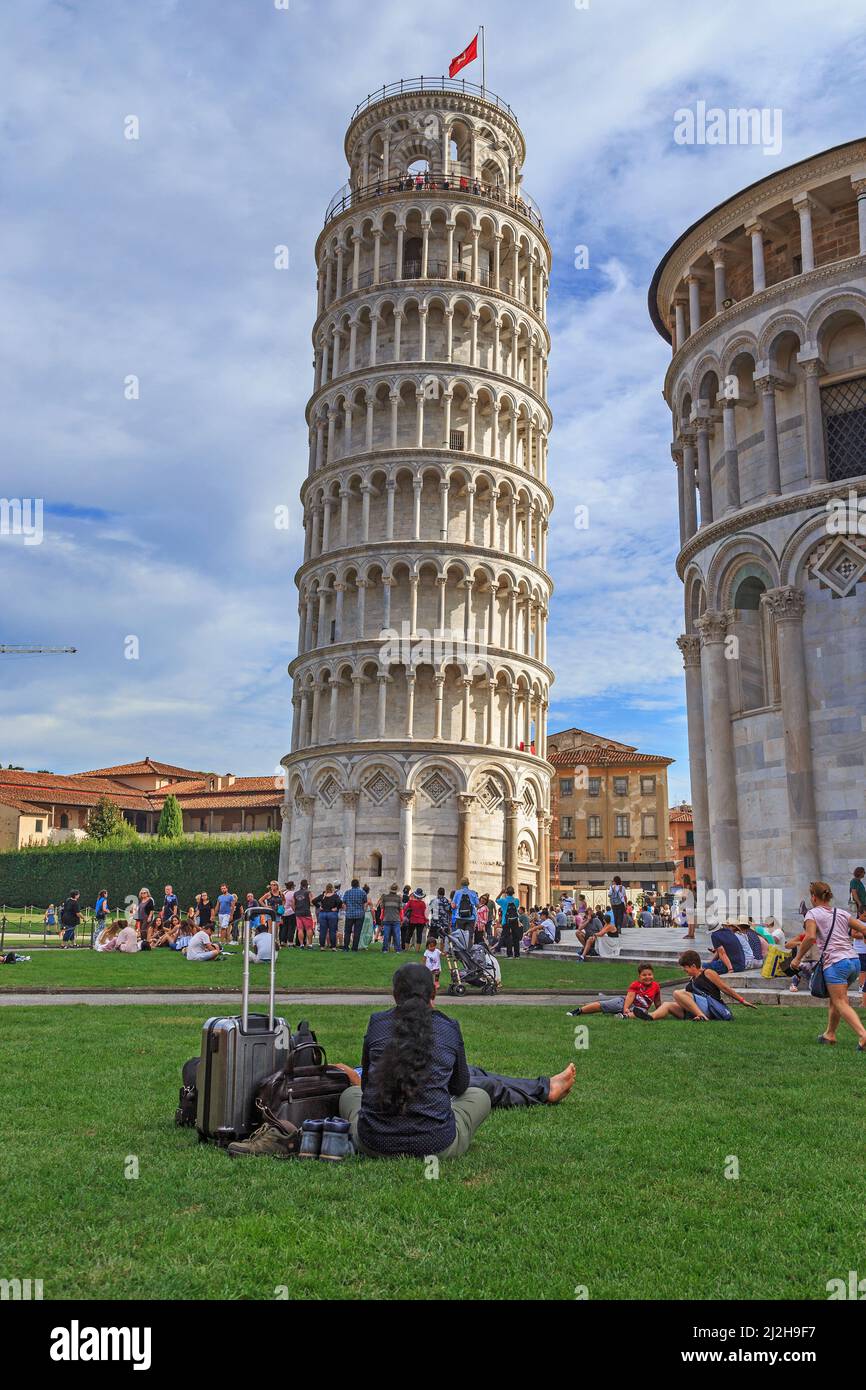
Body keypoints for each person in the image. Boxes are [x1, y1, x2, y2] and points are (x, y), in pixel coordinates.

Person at [336, 963, 577, 1159]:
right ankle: (544, 1089)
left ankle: (544, 1088)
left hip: (374, 1142)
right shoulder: (447, 1027)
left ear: (394, 994)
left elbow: (367, 1087)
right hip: (436, 1144)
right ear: (433, 994)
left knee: (350, 1095)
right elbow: (460, 1087)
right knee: (480, 1095)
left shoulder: (378, 1023)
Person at [788, 881, 866, 1049]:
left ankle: (863, 1035)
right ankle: (830, 1034)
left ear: (813, 897)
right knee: (836, 999)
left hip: (836, 962)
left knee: (839, 1001)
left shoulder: (812, 914)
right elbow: (864, 929)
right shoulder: (842, 913)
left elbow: (809, 937)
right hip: (854, 961)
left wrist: (797, 959)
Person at [647, 950, 757, 1021]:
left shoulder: (708, 973)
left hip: (710, 1008)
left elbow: (724, 988)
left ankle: (701, 1016)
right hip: (697, 1008)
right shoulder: (692, 979)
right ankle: (650, 1016)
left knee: (677, 993)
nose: (684, 970)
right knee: (667, 1004)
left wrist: (742, 1000)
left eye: (685, 967)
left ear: (693, 965)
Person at [567, 963, 661, 1019]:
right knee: (603, 1005)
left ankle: (623, 1017)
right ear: (639, 976)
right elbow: (630, 997)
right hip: (625, 1002)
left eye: (650, 974)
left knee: (642, 1013)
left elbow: (657, 1001)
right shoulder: (635, 984)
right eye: (644, 975)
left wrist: (659, 1011)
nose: (648, 977)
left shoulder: (656, 986)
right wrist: (625, 1009)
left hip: (639, 1009)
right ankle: (578, 1011)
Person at [450, 878, 479, 948]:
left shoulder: (457, 893)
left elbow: (453, 905)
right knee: (469, 935)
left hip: (459, 917)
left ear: (461, 884)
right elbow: (477, 904)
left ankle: (461, 951)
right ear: (468, 884)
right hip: (470, 917)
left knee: (460, 935)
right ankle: (468, 951)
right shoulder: (473, 893)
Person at [341, 879, 367, 952]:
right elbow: (365, 903)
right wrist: (363, 911)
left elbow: (343, 903)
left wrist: (346, 910)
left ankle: (346, 947)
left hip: (349, 914)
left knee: (347, 932)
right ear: (358, 884)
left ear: (351, 884)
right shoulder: (363, 892)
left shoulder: (347, 892)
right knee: (357, 932)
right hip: (359, 914)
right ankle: (354, 948)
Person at [314, 883, 342, 950]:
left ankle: (322, 947)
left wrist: (319, 907)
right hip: (332, 914)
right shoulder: (335, 896)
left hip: (323, 914)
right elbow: (340, 902)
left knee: (323, 931)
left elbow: (314, 901)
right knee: (332, 931)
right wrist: (336, 908)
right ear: (332, 888)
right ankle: (333, 947)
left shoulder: (323, 895)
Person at [377, 883, 403, 953]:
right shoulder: (399, 898)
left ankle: (385, 949)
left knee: (386, 935)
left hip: (386, 918)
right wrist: (401, 919)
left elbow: (382, 907)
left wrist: (381, 918)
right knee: (397, 935)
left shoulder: (385, 897)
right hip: (396, 919)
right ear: (396, 890)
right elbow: (401, 909)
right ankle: (398, 950)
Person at [293, 880, 315, 948]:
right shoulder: (308, 892)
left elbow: (293, 904)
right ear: (306, 885)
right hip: (306, 913)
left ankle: (301, 944)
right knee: (309, 929)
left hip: (298, 913)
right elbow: (312, 902)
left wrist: (295, 910)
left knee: (300, 929)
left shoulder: (295, 893)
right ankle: (310, 944)